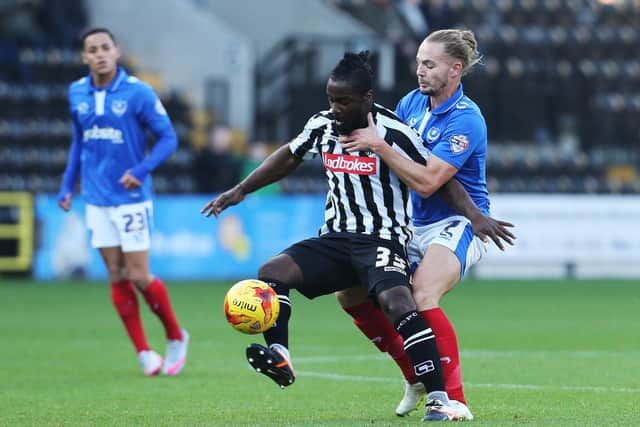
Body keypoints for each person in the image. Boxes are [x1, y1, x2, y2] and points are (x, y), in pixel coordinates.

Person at [202, 51, 490, 422]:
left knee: (400, 302)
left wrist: (475, 216)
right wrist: (240, 190)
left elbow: (438, 180)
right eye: (331, 100)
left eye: (344, 101)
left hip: (382, 239)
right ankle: (280, 353)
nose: (335, 108)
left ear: (366, 99)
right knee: (272, 272)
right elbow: (289, 156)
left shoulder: (393, 132)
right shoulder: (322, 126)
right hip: (336, 239)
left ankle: (439, 398)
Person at [336, 29, 514, 418]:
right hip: (409, 222)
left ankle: (453, 400)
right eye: (418, 61)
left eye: (429, 64)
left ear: (455, 69)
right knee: (349, 294)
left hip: (458, 223)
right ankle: (415, 373)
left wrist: (379, 145)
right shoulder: (411, 103)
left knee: (422, 294)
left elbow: (430, 180)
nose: (419, 70)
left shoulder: (468, 120)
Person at [57, 28, 189, 376]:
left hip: (131, 198)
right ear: (84, 57)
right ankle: (144, 352)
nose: (100, 54)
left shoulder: (138, 93)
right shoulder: (76, 93)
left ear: (117, 51)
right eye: (92, 50)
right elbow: (78, 142)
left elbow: (168, 138)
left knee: (139, 275)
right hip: (96, 198)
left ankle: (176, 336)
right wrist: (67, 185)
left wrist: (142, 169)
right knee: (115, 274)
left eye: (105, 47)